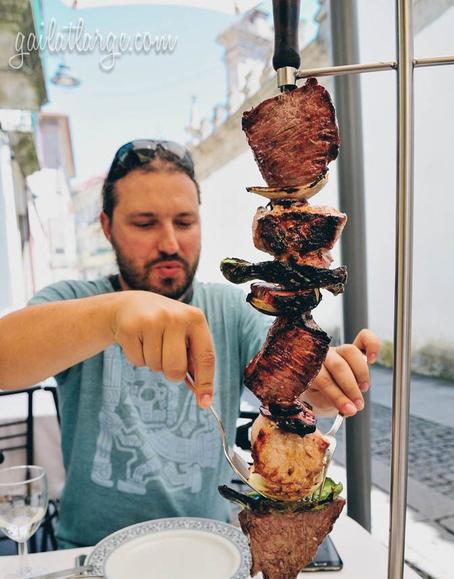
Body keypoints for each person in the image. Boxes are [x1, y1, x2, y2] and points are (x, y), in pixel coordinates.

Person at [0, 140, 380, 548]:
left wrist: (320, 380)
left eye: (184, 222)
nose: (169, 243)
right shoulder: (78, 300)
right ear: (107, 227)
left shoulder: (232, 308)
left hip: (212, 549)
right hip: (92, 555)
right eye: (144, 224)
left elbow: (289, 369)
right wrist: (112, 316)